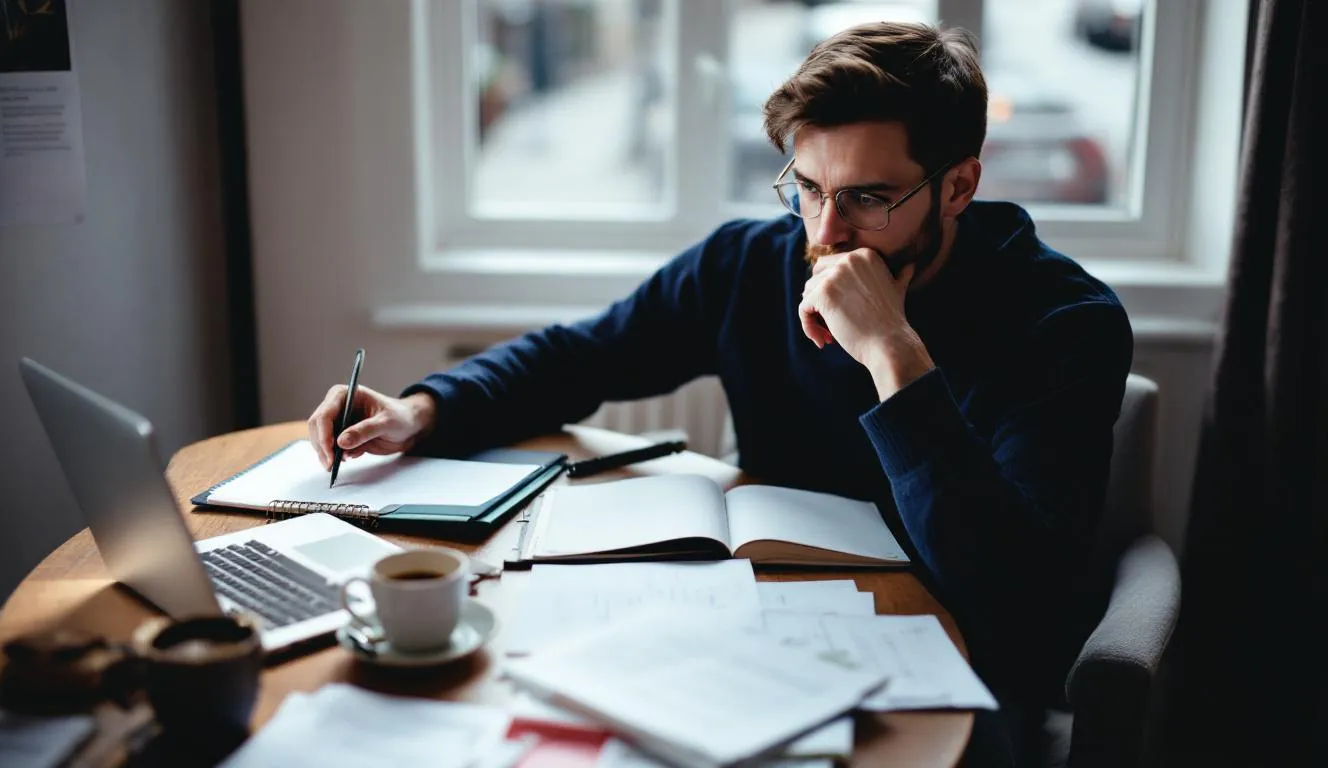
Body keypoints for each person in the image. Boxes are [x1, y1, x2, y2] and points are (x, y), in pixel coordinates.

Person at [308, 21, 1132, 766]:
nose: (824, 234)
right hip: (760, 636)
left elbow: (1015, 599)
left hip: (951, 675)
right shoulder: (749, 263)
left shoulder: (1064, 325)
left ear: (958, 187)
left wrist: (894, 355)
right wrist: (424, 409)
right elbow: (583, 356)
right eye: (808, 187)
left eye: (869, 198)